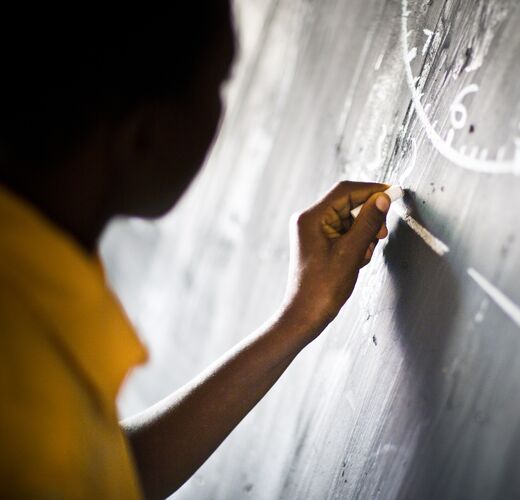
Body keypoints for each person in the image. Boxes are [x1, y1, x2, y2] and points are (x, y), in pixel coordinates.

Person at [0, 2, 392, 498]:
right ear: (145, 134)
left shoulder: (31, 271)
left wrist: (297, 319)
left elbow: (108, 476)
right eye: (218, 87)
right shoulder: (19, 366)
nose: (222, 111)